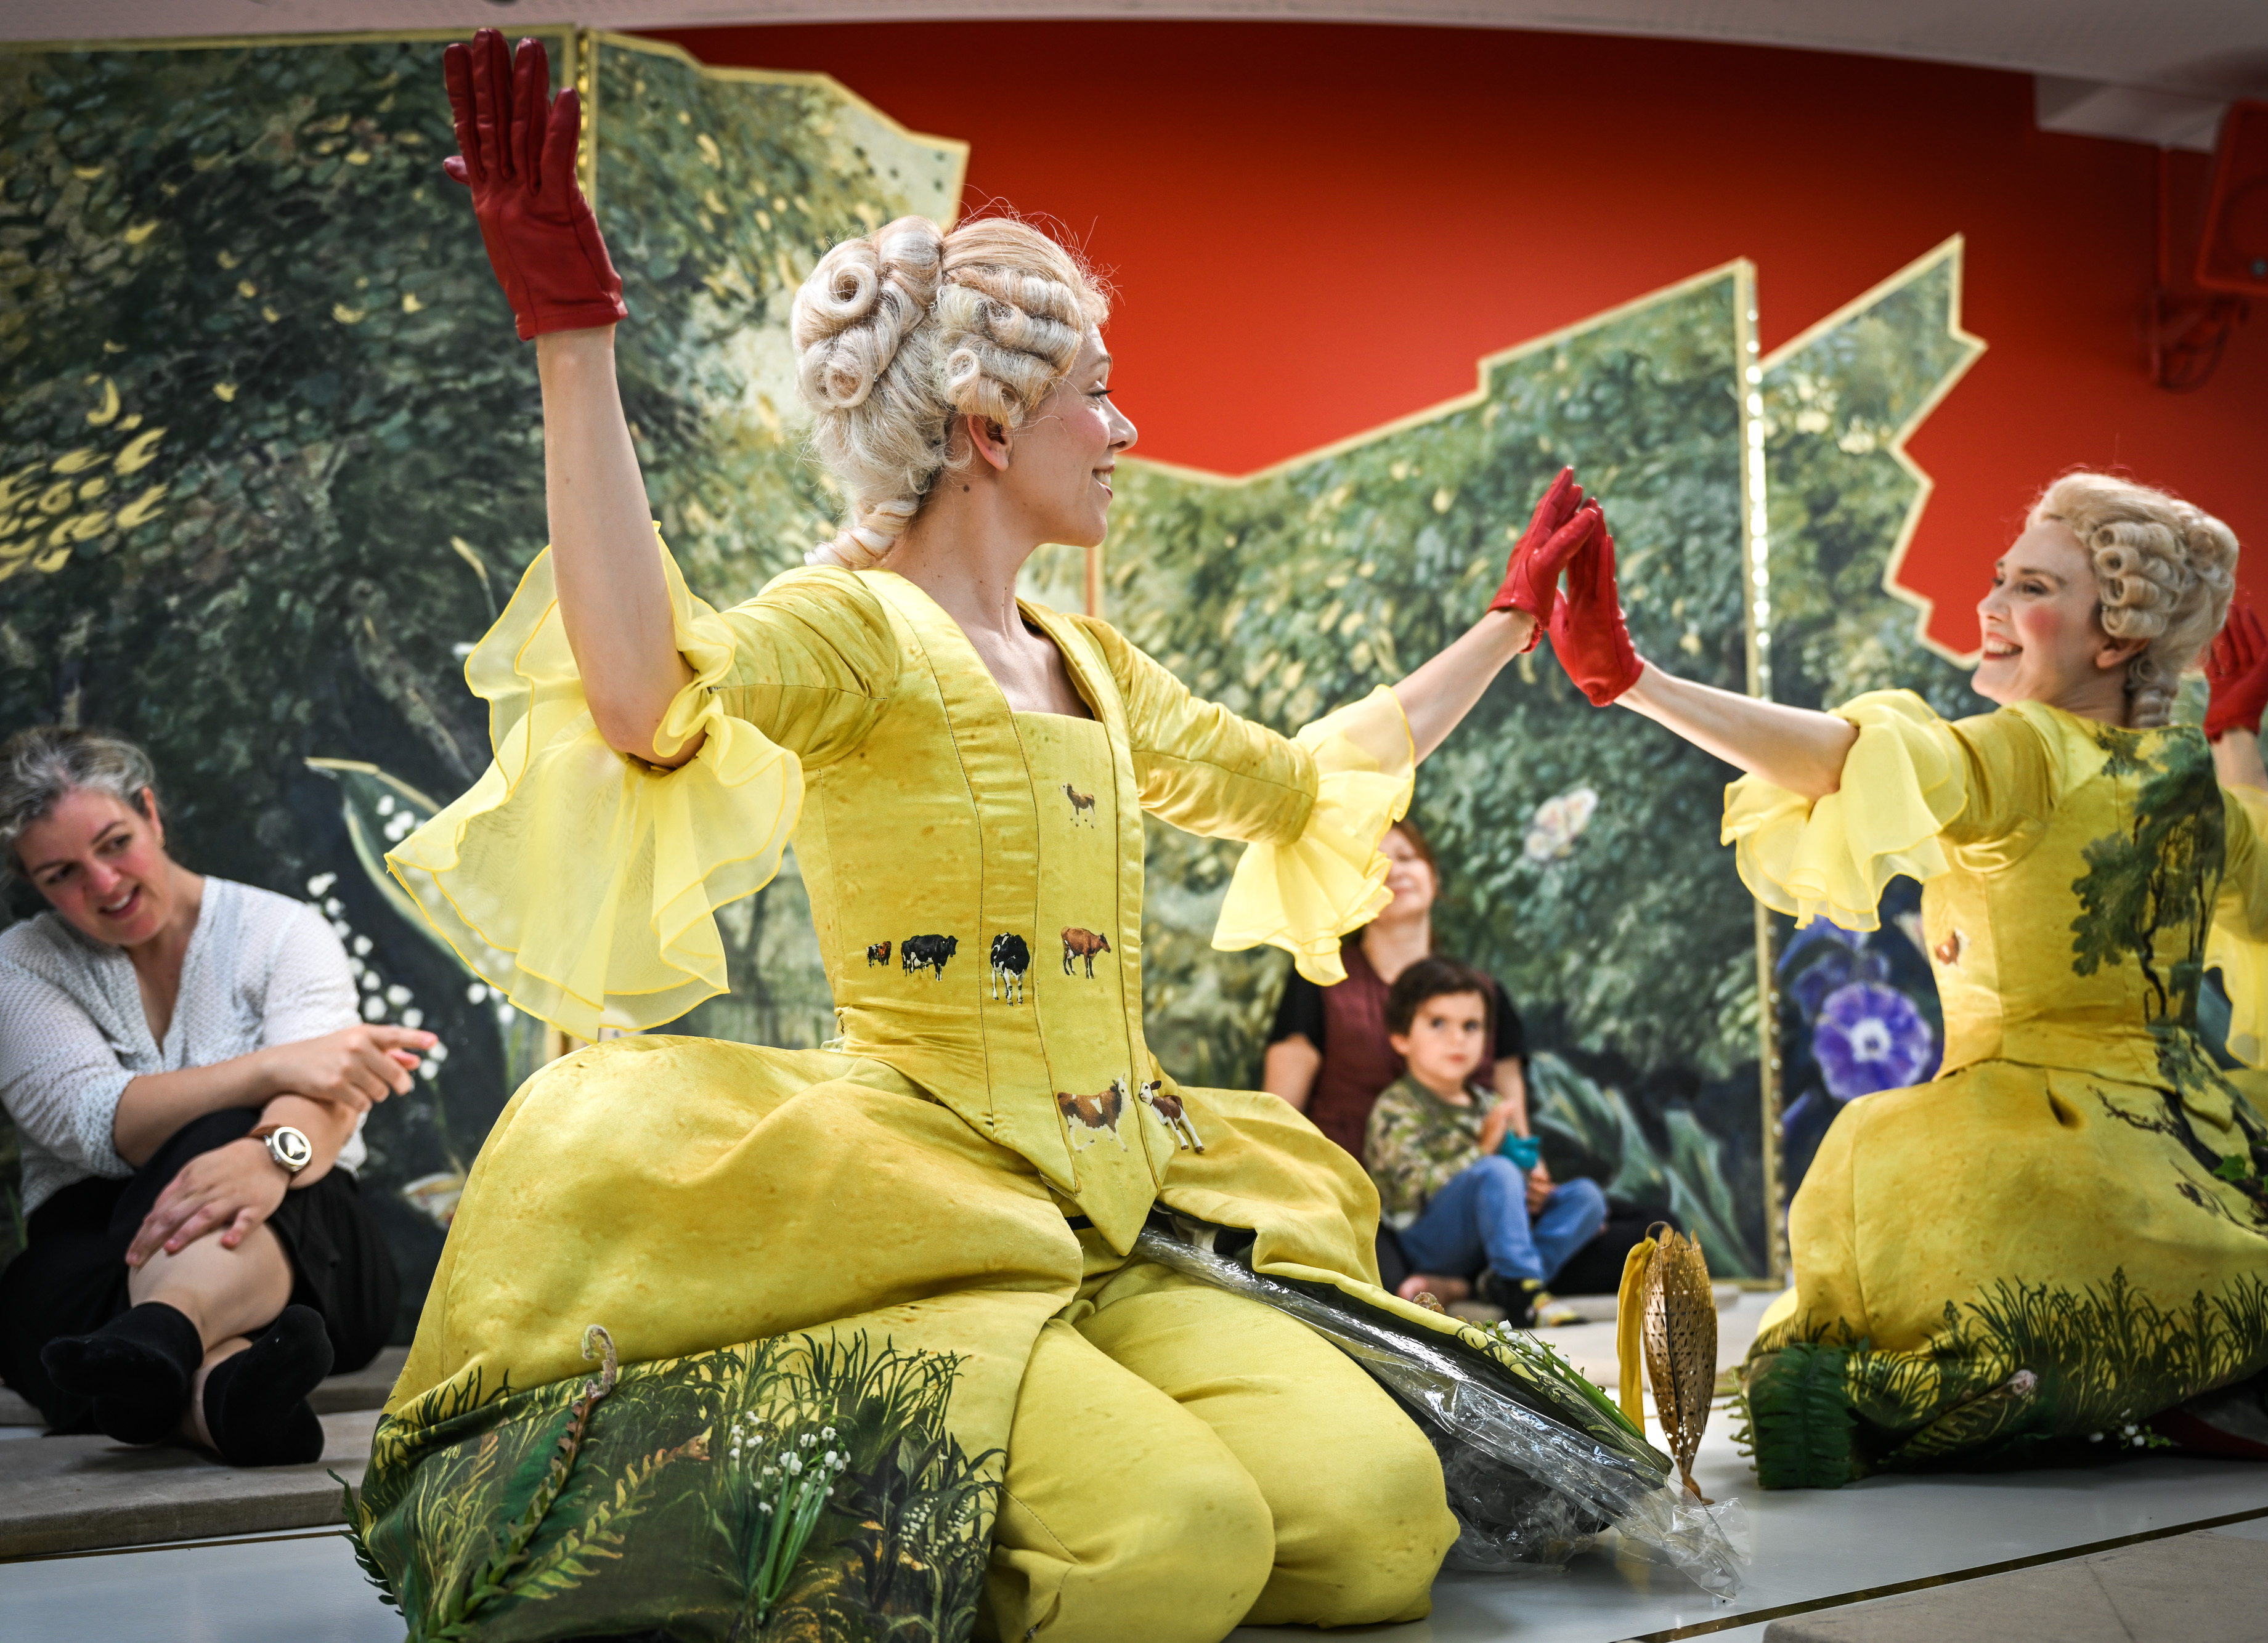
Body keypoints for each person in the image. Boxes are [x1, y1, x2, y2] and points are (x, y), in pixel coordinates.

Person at [352, 33, 1628, 1643]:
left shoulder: (1088, 663)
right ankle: (939, 1498)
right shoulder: (852, 628)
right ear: (990, 424)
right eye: (1096, 392)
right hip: (919, 1223)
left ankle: (1050, 1480)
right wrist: (572, 340)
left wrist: (1513, 623)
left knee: (1382, 1525)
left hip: (1123, 1212)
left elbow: (1304, 781)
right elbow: (639, 695)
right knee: (1176, 1546)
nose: (1125, 426)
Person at [1543, 470, 2268, 1483]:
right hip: (2202, 1151)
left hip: (2035, 1150)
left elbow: (1848, 760)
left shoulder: (2028, 750)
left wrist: (1637, 679)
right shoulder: (2190, 780)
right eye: (2000, 577)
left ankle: (1992, 1392)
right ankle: (2186, 1373)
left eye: (2032, 587)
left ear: (2115, 638)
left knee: (1965, 1251)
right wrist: (2236, 732)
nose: (1988, 606)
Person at [0, 727, 417, 1464]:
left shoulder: (283, 931)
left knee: (217, 1132)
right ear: (32, 883)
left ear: (151, 813)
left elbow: (330, 1093)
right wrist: (272, 1068)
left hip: (308, 1239)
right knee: (39, 1295)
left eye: (115, 843)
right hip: (100, 1256)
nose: (104, 883)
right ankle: (222, 1399)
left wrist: (267, 1156)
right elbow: (100, 1121)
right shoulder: (20, 966)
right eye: (61, 874)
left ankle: (164, 1326)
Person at [1260, 818, 1529, 1156]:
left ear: (1434, 876)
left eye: (1407, 857)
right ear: (1349, 894)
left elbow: (1516, 1124)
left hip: (1476, 1182)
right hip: (1348, 1180)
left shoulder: (1485, 993)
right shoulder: (1320, 977)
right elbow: (1279, 1112)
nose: (1393, 871)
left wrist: (1531, 1171)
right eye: (1373, 864)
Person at [1364, 957, 1605, 1325]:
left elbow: (1509, 1184)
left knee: (1586, 1197)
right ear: (1401, 1038)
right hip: (1427, 1239)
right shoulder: (1396, 1109)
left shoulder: (1489, 1104)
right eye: (1438, 1023)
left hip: (1494, 1239)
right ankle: (1525, 1292)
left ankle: (1495, 1285)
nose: (1457, 1039)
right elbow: (1414, 1190)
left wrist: (1534, 1190)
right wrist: (1483, 1152)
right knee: (1496, 1171)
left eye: (1471, 1026)